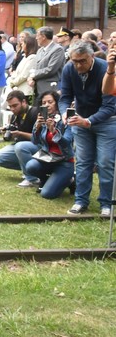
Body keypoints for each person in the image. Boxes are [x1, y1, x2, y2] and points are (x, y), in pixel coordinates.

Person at [58, 41, 116, 216]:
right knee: (83, 163)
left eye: (82, 61)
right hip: (80, 120)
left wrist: (88, 121)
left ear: (92, 56)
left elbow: (110, 106)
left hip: (106, 122)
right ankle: (81, 201)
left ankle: (106, 203)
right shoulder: (69, 69)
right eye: (74, 61)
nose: (78, 65)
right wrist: (64, 113)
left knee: (105, 162)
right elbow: (65, 97)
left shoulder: (105, 69)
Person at [26, 90, 75, 200]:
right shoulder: (42, 118)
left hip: (64, 161)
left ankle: (70, 180)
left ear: (57, 103)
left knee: (47, 194)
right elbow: (34, 141)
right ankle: (46, 180)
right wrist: (37, 128)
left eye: (50, 102)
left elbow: (67, 142)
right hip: (47, 158)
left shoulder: (66, 119)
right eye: (44, 103)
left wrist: (54, 131)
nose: (46, 105)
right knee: (30, 166)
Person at [0, 90, 40, 187]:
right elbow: (15, 135)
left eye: (15, 105)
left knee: (20, 146)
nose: (12, 109)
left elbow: (39, 138)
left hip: (38, 146)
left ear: (24, 102)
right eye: (10, 106)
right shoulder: (15, 116)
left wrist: (19, 133)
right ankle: (34, 169)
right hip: (21, 147)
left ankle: (32, 179)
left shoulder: (35, 113)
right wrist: (8, 132)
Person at [27, 26, 65, 105]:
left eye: (38, 36)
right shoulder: (40, 50)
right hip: (37, 89)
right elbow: (34, 67)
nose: (36, 38)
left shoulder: (57, 50)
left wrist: (34, 75)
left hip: (49, 89)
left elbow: (51, 69)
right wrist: (31, 78)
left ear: (44, 37)